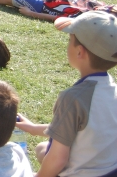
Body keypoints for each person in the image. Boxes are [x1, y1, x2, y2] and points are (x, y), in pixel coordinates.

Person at [15, 11, 117, 177]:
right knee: (42, 149)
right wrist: (34, 128)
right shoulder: (110, 88)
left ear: (80, 52)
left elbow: (58, 159)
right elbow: (86, 130)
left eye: (70, 40)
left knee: (46, 153)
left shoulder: (74, 98)